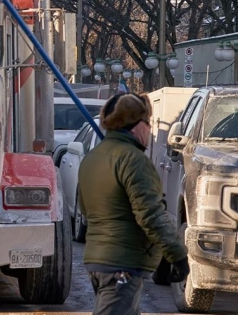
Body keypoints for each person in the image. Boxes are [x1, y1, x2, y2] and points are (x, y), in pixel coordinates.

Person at [77, 92, 190, 314]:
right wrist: (177, 255)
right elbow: (151, 215)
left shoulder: (93, 158)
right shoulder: (134, 160)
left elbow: (85, 209)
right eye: (148, 123)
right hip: (123, 264)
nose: (150, 130)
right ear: (135, 125)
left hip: (97, 261)